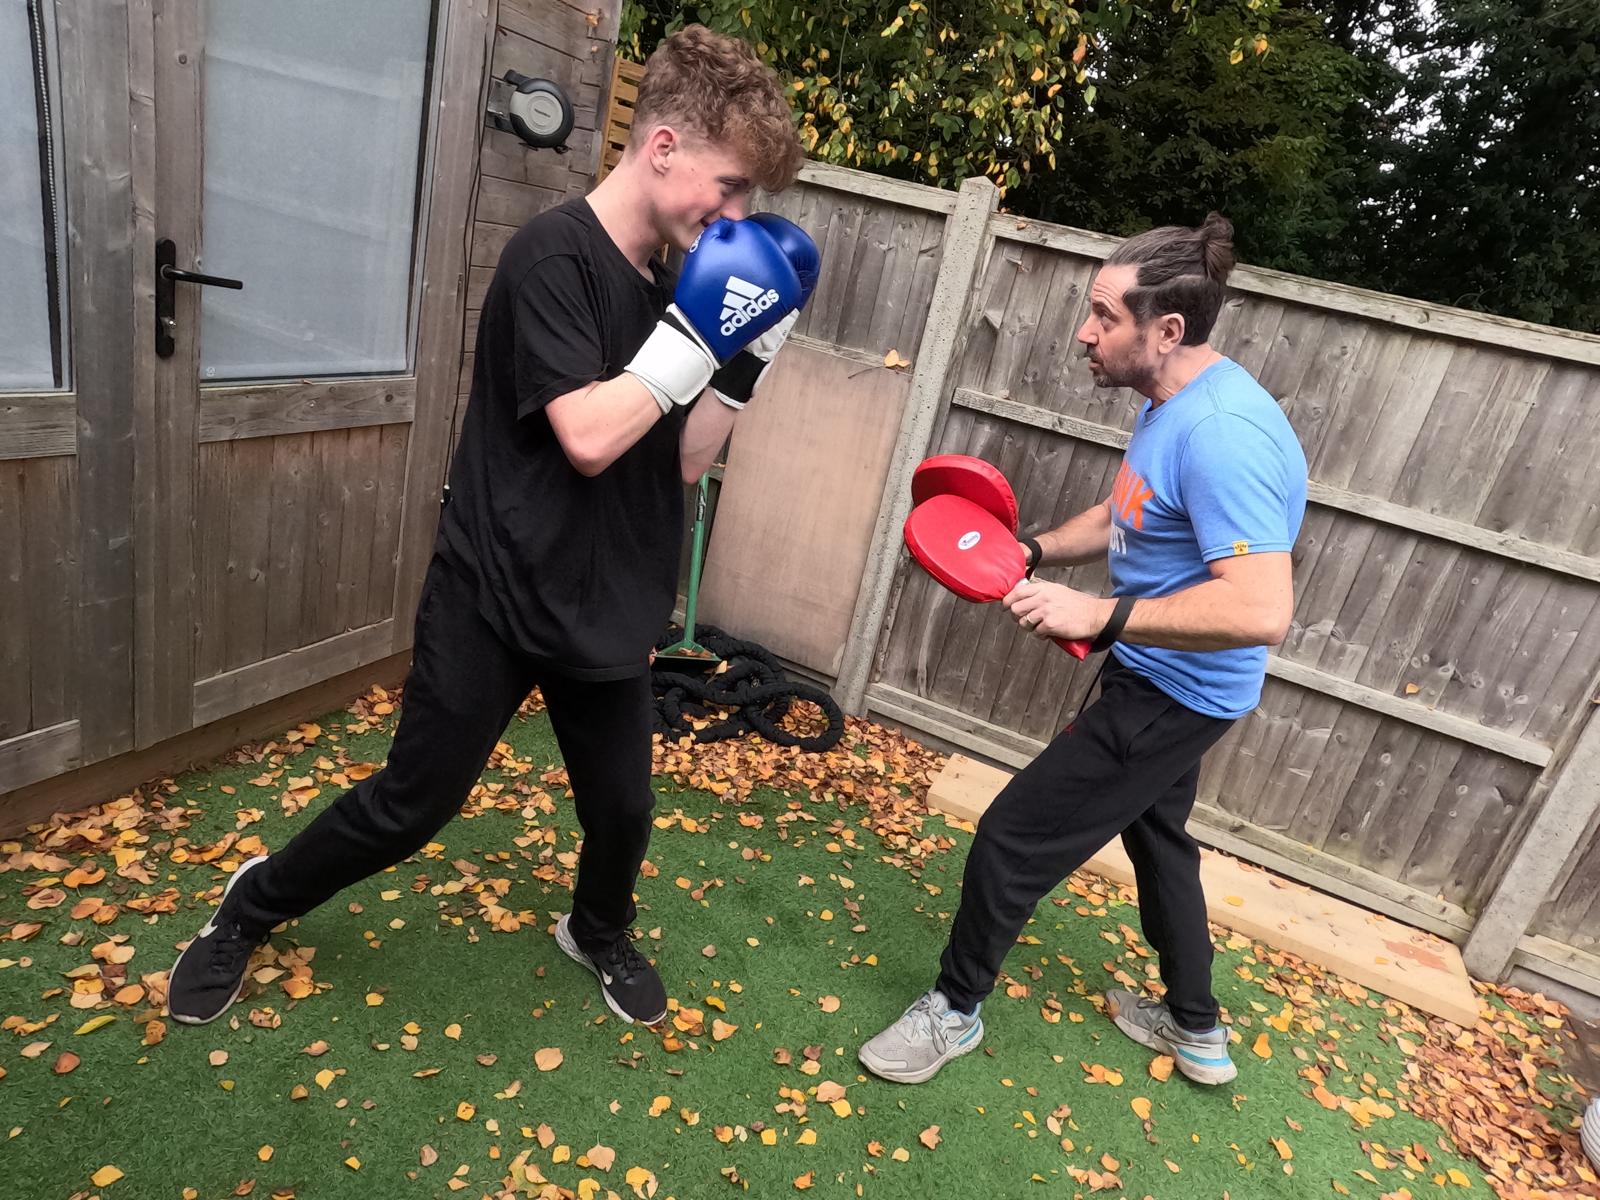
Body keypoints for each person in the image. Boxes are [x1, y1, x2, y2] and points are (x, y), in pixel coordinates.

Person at [167, 25, 813, 1028]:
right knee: (412, 804)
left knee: (623, 810)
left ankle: (595, 929)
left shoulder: (670, 285)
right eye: (727, 188)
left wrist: (744, 362)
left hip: (605, 595)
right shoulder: (551, 257)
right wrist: (695, 340)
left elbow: (679, 461)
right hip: (499, 587)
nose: (734, 217)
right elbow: (591, 438)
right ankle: (248, 907)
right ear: (664, 145)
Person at [859, 214, 1307, 1086]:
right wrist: (1031, 552)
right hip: (1171, 682)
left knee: (1010, 839)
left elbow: (1261, 609)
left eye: (1104, 315)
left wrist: (1099, 616)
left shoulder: (1224, 436)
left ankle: (953, 1011)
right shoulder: (1171, 405)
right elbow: (1125, 514)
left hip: (1173, 695)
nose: (1083, 332)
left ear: (1166, 330)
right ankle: (1199, 1032)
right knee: (1160, 842)